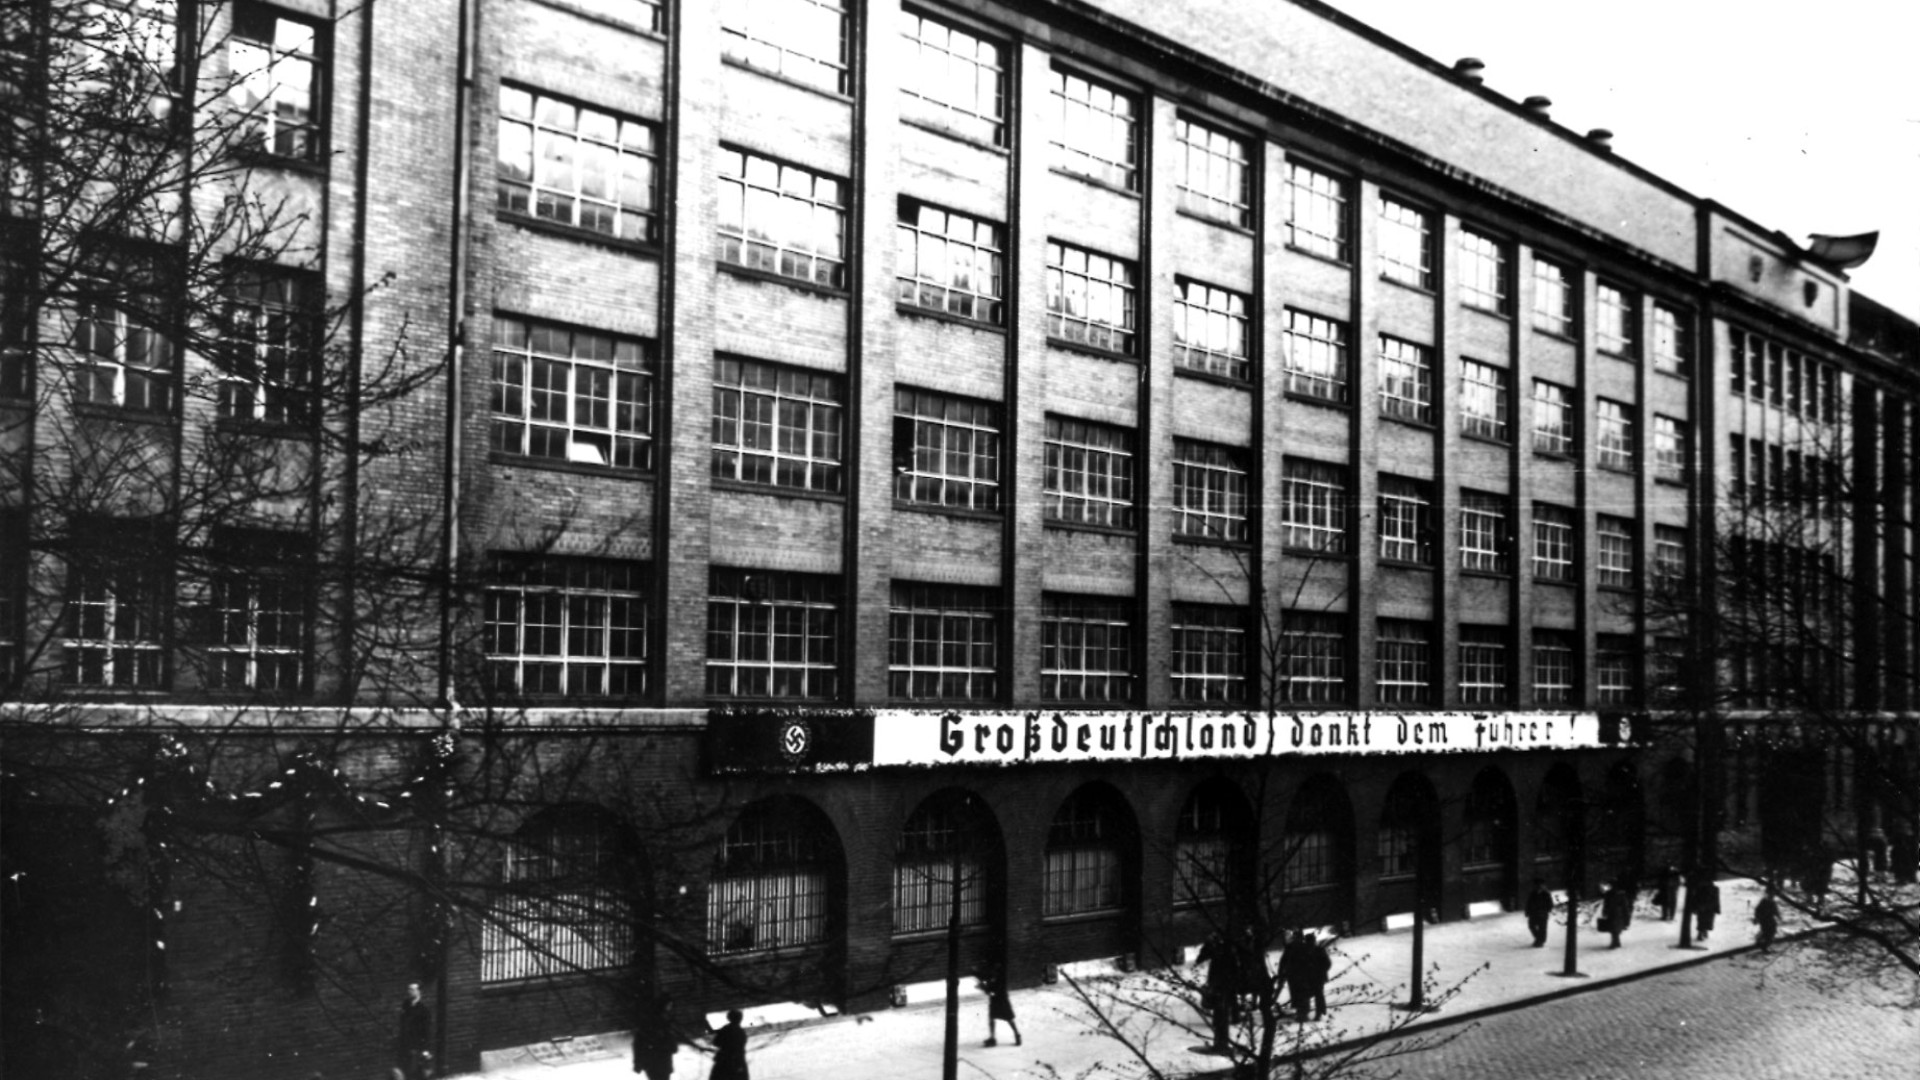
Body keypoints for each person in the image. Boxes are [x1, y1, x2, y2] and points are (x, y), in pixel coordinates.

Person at [1196, 933, 1236, 1050]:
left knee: (1220, 1006)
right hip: (1226, 979)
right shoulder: (1228, 945)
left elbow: (1202, 957)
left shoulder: (1217, 946)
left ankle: (1220, 1039)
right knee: (1224, 1005)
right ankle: (1223, 1034)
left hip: (1219, 979)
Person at [632, 987, 678, 1080]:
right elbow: (639, 1042)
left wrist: (638, 1063)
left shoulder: (660, 1020)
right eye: (669, 1005)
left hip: (655, 1063)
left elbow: (638, 1043)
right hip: (658, 1063)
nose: (670, 1008)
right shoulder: (662, 1021)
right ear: (664, 1005)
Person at [395, 982, 433, 1080]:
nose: (410, 992)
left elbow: (426, 1030)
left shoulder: (423, 1010)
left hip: (416, 1046)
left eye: (413, 990)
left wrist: (426, 1049)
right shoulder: (406, 1006)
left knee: (415, 1072)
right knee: (405, 1071)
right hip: (405, 1045)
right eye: (409, 989)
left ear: (419, 992)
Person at [1277, 930, 1313, 1023]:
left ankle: (1302, 1014)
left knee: (1299, 994)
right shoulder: (1296, 947)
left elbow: (1284, 962)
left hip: (1296, 975)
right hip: (1297, 975)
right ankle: (1302, 1013)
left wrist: (1282, 973)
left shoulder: (1293, 947)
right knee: (1300, 994)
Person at [979, 967, 1021, 1047]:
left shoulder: (1000, 980)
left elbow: (993, 992)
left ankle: (1016, 1034)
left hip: (1001, 1001)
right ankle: (993, 1038)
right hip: (997, 1001)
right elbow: (990, 990)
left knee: (1008, 1018)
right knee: (993, 1018)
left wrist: (985, 989)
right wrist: (985, 988)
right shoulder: (992, 978)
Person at [709, 1009, 748, 1080]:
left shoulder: (725, 1029)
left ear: (729, 1018)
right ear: (740, 1019)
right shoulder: (741, 1031)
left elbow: (716, 1043)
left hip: (723, 1062)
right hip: (738, 1062)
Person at [1303, 932, 1331, 1021]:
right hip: (1307, 978)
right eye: (1309, 941)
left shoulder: (1319, 950)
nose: (1310, 943)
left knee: (1318, 996)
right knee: (1307, 995)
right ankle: (1305, 1013)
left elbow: (1327, 963)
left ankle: (1318, 1014)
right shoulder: (1303, 951)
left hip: (1318, 977)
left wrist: (1320, 970)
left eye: (1311, 941)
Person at [1600, 881, 1632, 949]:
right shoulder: (1611, 894)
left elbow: (1624, 906)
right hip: (1614, 914)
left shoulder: (1617, 894)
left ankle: (1615, 942)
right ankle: (1616, 942)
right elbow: (1606, 904)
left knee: (1614, 928)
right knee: (1614, 928)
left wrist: (1605, 911)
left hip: (1616, 914)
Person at [1689, 876, 1721, 943]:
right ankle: (1701, 933)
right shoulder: (1701, 888)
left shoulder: (1714, 889)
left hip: (1708, 907)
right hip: (1705, 907)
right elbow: (1696, 898)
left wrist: (1717, 908)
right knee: (1702, 920)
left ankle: (1704, 931)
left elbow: (1716, 899)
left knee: (1705, 920)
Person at [1524, 879, 1553, 947]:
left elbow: (1550, 904)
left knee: (1542, 928)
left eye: (1541, 885)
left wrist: (1545, 910)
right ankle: (1539, 939)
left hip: (1542, 914)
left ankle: (1540, 941)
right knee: (1531, 926)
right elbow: (1529, 903)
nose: (1540, 886)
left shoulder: (1546, 894)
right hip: (1533, 913)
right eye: (1538, 885)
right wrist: (1527, 911)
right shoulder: (1533, 893)